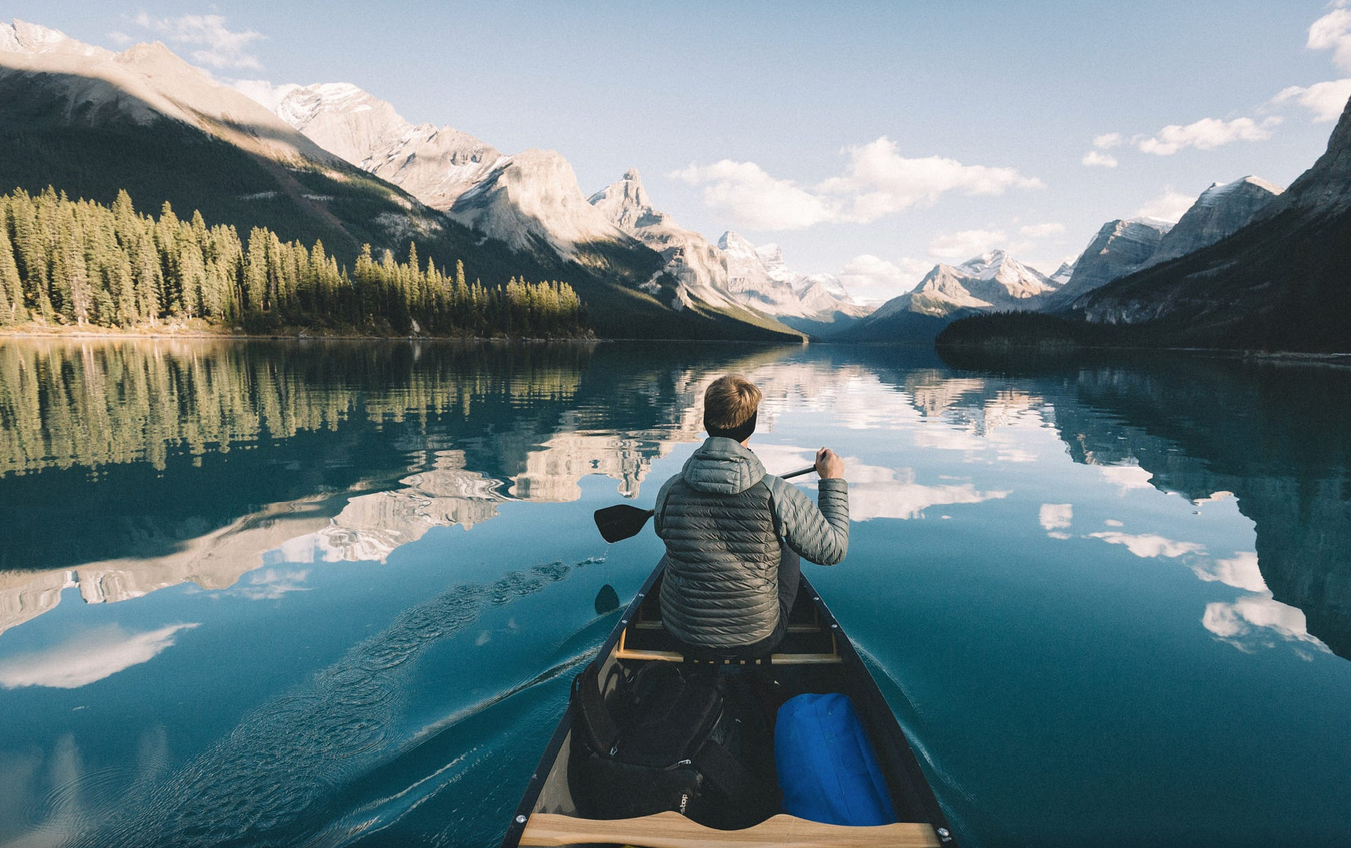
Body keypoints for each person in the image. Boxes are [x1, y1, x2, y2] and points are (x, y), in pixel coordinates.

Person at [653, 374, 849, 657]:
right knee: (787, 545)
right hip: (757, 639)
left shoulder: (670, 489)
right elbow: (834, 550)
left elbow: (661, 530)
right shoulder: (777, 494)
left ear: (706, 422)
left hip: (680, 633)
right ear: (752, 424)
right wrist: (832, 481)